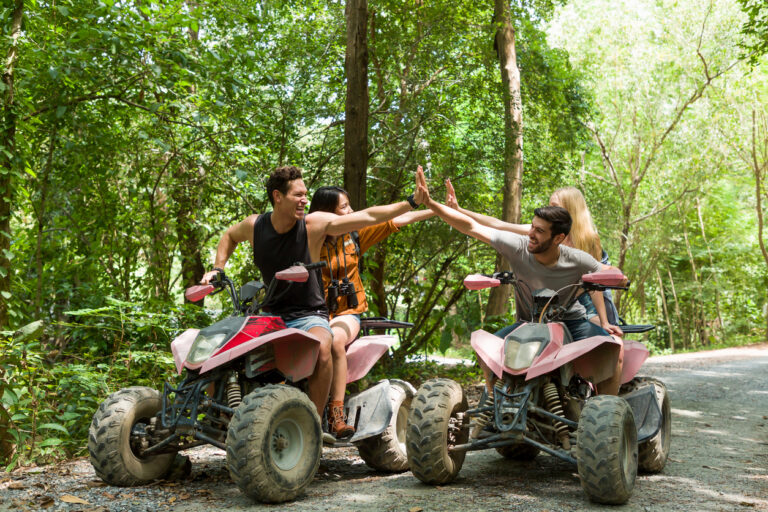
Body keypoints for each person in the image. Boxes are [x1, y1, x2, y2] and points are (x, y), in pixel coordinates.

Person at [200, 166, 428, 433]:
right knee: (220, 346)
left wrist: (410, 202)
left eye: (306, 194)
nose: (304, 200)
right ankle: (216, 416)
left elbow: (368, 217)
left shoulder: (313, 224)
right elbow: (229, 236)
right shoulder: (255, 226)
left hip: (308, 314)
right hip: (269, 315)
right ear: (277, 196)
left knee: (324, 347)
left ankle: (311, 427)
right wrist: (217, 268)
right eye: (298, 195)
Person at [420, 175, 624, 395]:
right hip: (534, 314)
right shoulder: (529, 239)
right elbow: (488, 226)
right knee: (489, 348)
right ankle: (494, 401)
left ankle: (606, 409)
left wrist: (604, 318)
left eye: (554, 206)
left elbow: (596, 280)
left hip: (577, 305)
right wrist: (449, 208)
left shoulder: (583, 246)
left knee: (611, 347)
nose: (531, 232)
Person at [307, 179, 435, 438]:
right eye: (344, 207)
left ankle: (336, 415)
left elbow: (397, 221)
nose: (352, 211)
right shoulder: (308, 239)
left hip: (346, 314)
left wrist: (435, 209)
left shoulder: (354, 235)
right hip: (313, 313)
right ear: (327, 213)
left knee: (334, 341)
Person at [446, 181, 619, 326]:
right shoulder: (539, 232)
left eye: (554, 206)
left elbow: (596, 278)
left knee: (605, 339)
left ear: (570, 210)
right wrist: (459, 210)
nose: (548, 210)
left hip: (583, 303)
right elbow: (497, 224)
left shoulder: (589, 238)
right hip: (548, 302)